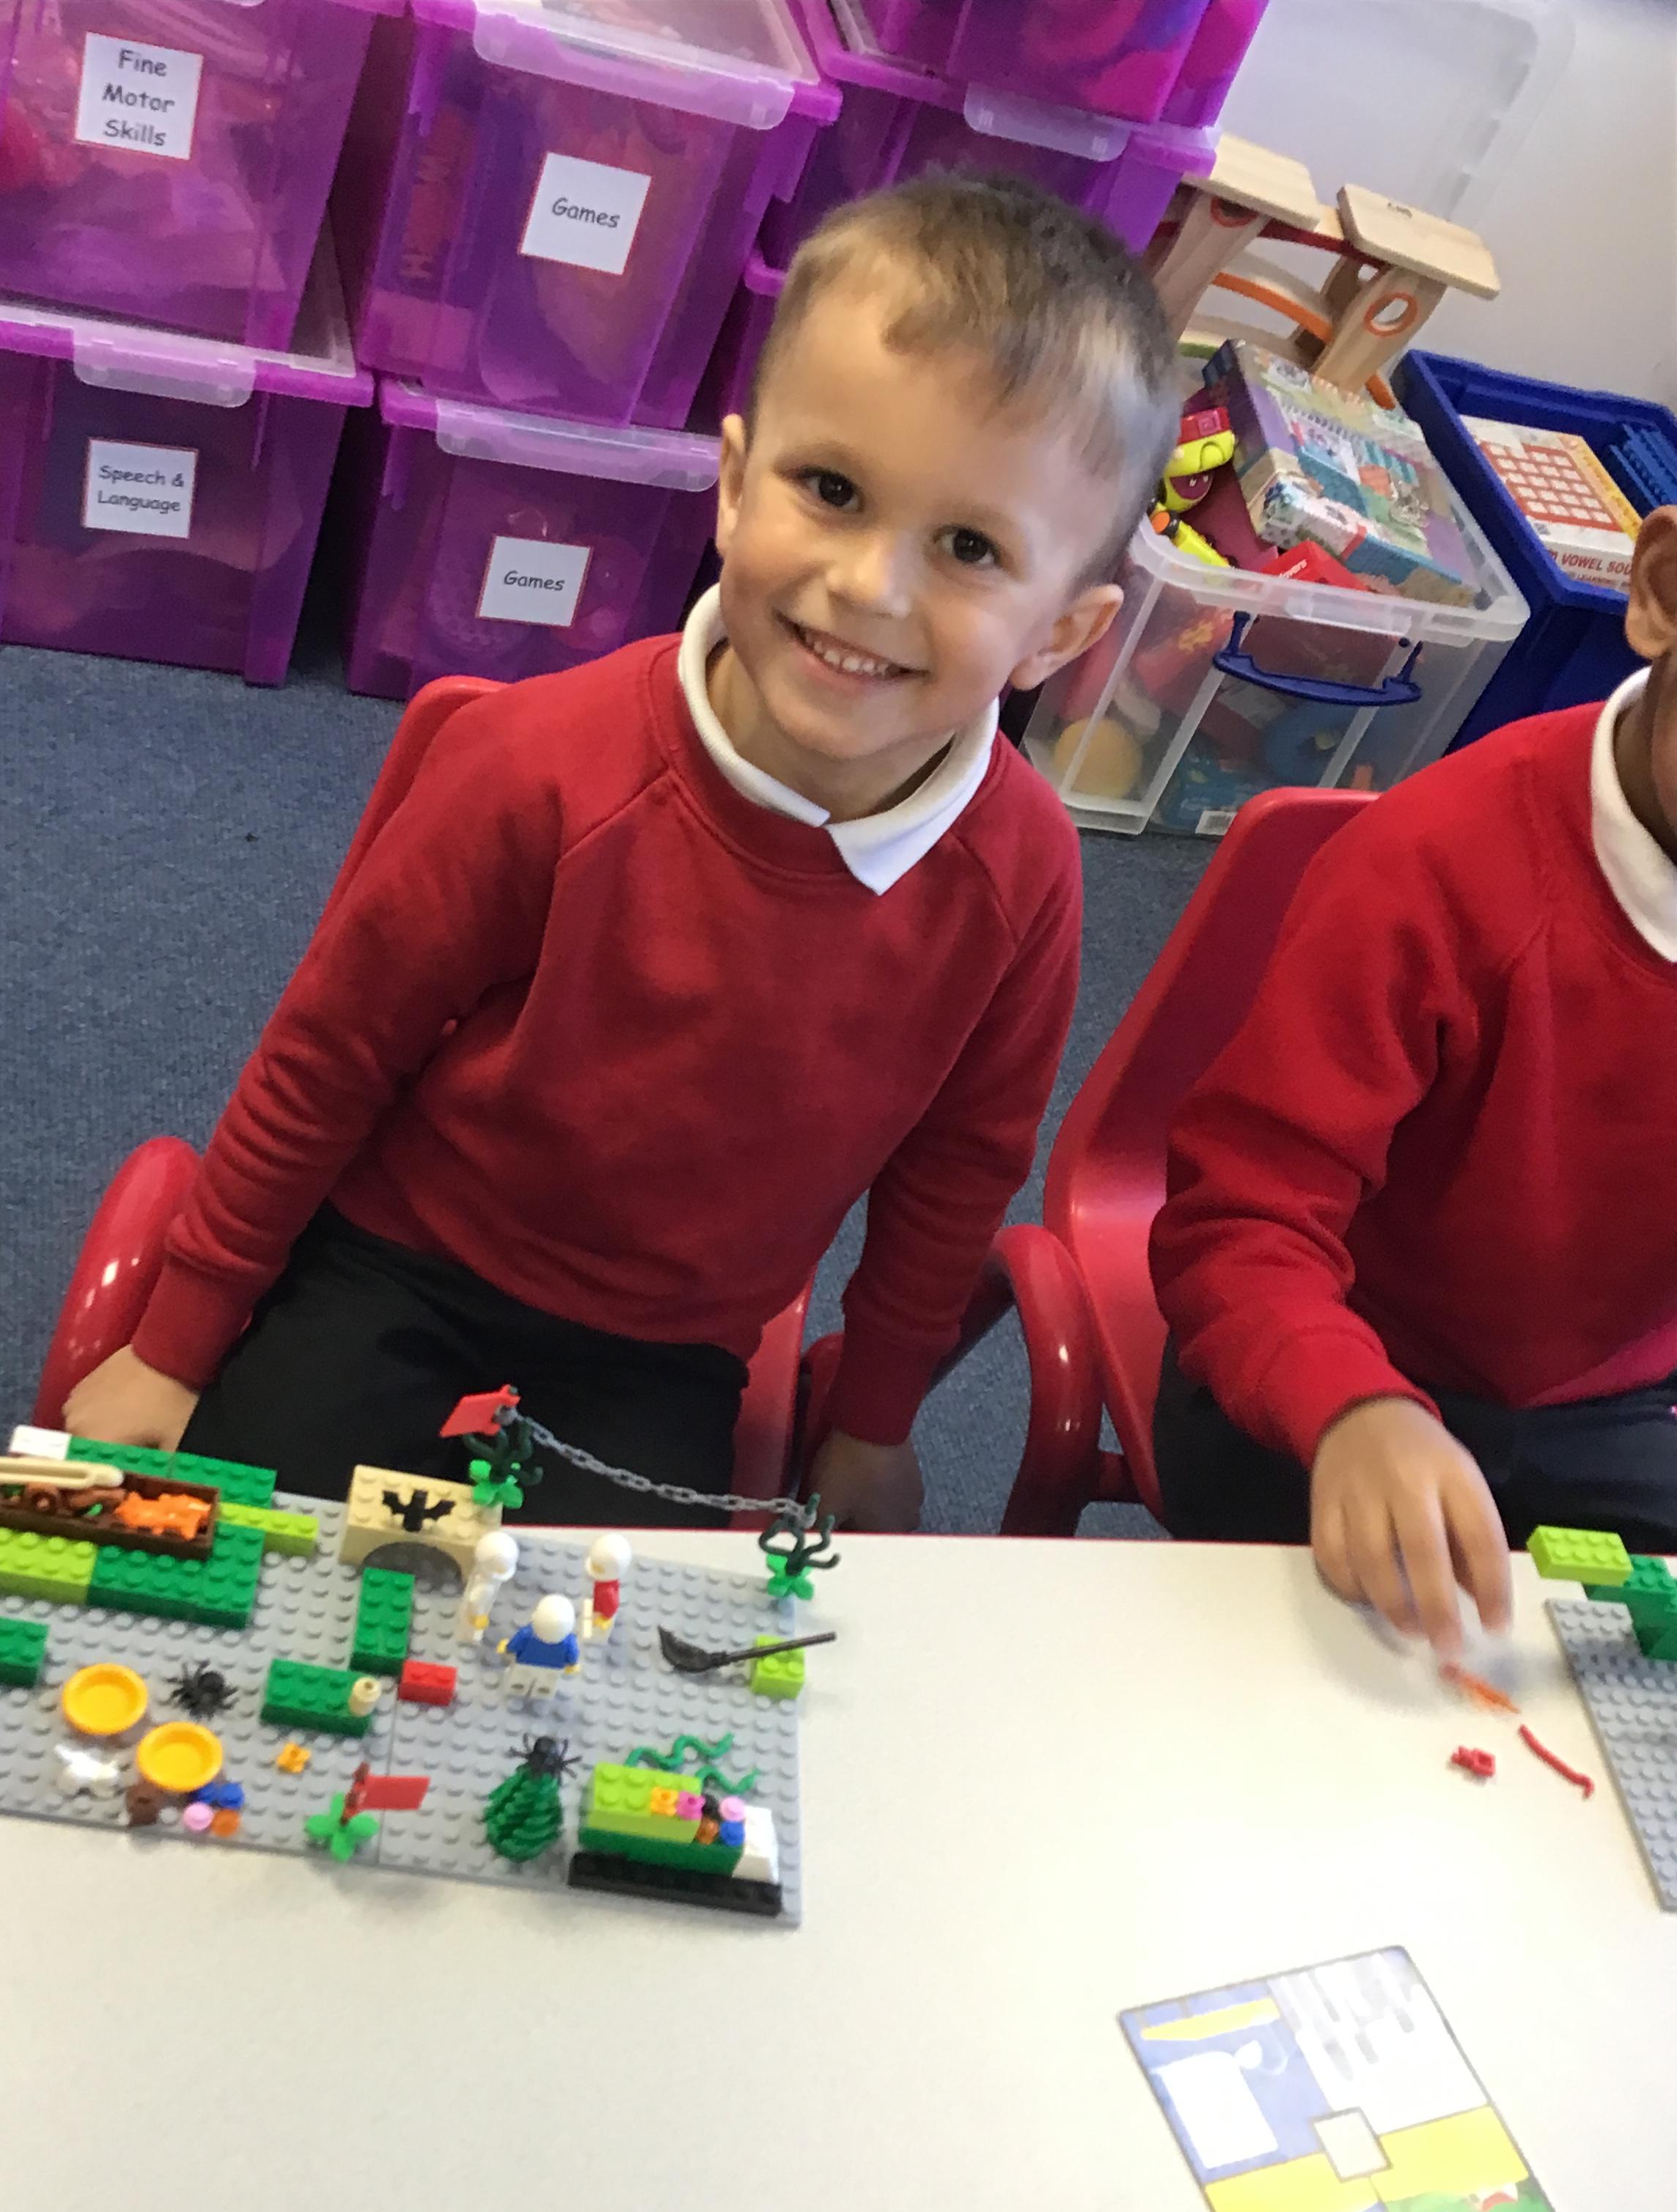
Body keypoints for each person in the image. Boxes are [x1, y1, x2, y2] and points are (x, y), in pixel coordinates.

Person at [63, 174, 1178, 1526]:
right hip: (400, 1261)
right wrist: (176, 1343)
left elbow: (956, 1172)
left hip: (666, 1349)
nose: (870, 587)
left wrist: (872, 1423)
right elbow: (330, 1051)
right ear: (735, 484)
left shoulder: (1024, 875)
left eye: (969, 547)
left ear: (1062, 634)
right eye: (831, 489)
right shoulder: (538, 765)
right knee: (249, 1563)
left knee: (604, 1636)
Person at [1150, 506, 1677, 1659]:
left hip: (1614, 1408)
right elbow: (1239, 1220)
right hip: (1342, 1364)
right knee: (1297, 1691)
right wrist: (1356, 1403)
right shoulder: (1439, 866)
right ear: (1663, 592)